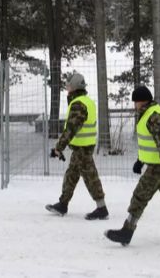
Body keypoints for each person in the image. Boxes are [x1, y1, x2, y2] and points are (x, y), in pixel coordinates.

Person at [105, 86, 160, 246]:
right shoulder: (148, 114)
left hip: (159, 166)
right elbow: (151, 143)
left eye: (135, 102)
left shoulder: (153, 116)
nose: (134, 105)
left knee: (139, 196)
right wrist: (140, 160)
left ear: (141, 101)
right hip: (159, 164)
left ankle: (127, 231)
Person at [45, 73, 108, 220]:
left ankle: (102, 208)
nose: (67, 88)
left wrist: (58, 148)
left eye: (68, 85)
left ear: (74, 87)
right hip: (82, 146)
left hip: (83, 148)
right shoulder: (85, 101)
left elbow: (71, 129)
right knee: (71, 176)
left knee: (90, 177)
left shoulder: (78, 104)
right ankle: (63, 204)